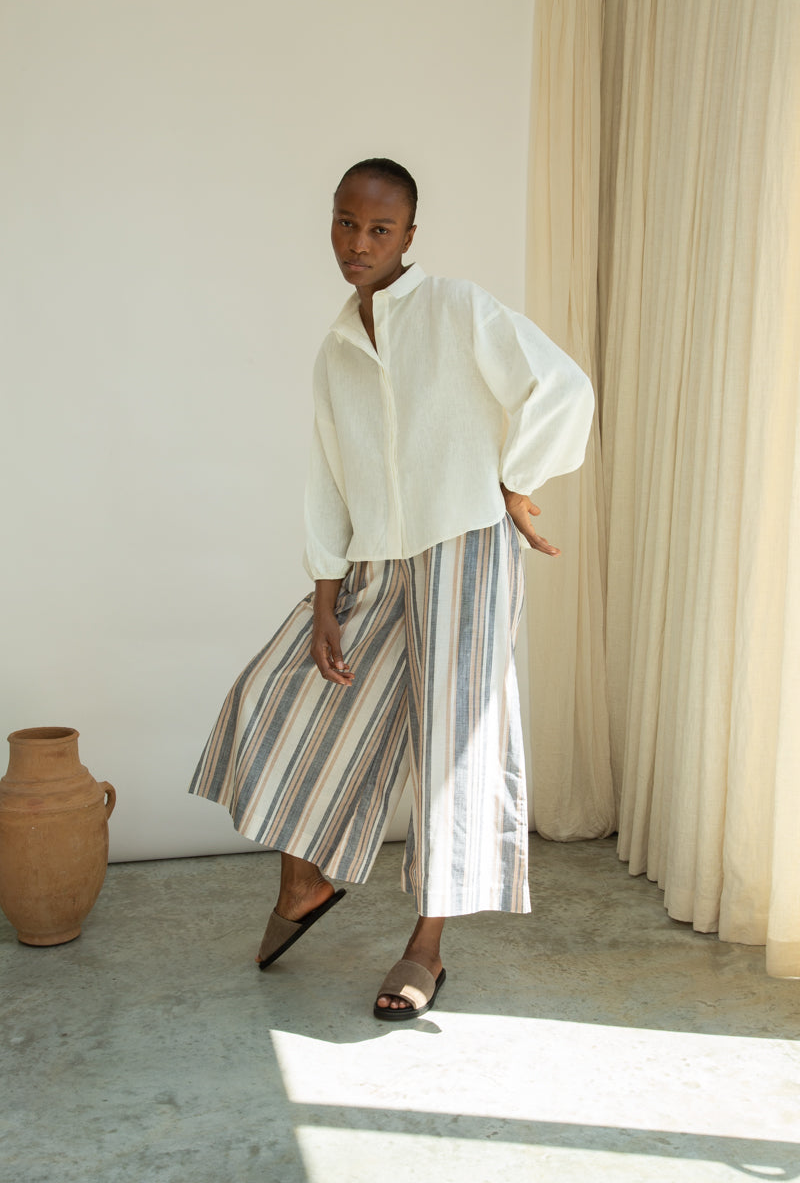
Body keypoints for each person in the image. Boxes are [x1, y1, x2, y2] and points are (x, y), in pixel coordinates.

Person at [190, 158, 594, 1021]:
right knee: (282, 695)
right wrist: (325, 596)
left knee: (451, 746)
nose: (359, 243)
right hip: (377, 561)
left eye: (379, 229)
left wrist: (516, 480)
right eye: (346, 223)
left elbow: (562, 385)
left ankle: (426, 949)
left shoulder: (458, 308)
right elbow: (329, 479)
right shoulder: (336, 349)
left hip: (466, 549)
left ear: (410, 235)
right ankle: (304, 881)